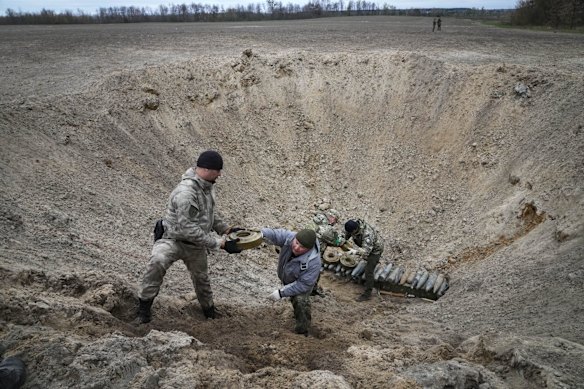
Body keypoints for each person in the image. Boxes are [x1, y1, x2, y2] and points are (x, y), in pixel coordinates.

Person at [137, 150, 243, 323]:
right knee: (157, 262)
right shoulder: (186, 193)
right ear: (208, 170)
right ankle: (143, 311)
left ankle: (209, 313)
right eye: (218, 170)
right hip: (173, 240)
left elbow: (209, 214)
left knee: (202, 280)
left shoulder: (206, 187)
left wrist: (226, 229)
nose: (220, 174)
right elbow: (188, 229)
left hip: (195, 245)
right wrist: (220, 244)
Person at [263, 228, 321, 335]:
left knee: (300, 299)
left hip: (302, 281)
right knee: (309, 280)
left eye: (302, 247)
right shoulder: (290, 237)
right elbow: (274, 235)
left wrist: (281, 293)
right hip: (297, 276)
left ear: (309, 249)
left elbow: (302, 285)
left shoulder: (314, 263)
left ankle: (302, 329)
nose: (297, 247)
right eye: (297, 243)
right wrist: (259, 234)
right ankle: (315, 287)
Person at [344, 219, 385, 301]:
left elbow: (366, 252)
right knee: (366, 262)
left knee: (368, 271)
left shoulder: (367, 235)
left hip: (375, 250)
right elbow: (347, 234)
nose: (351, 234)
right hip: (366, 247)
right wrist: (343, 240)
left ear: (355, 230)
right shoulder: (354, 226)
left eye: (352, 233)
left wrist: (355, 251)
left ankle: (367, 294)